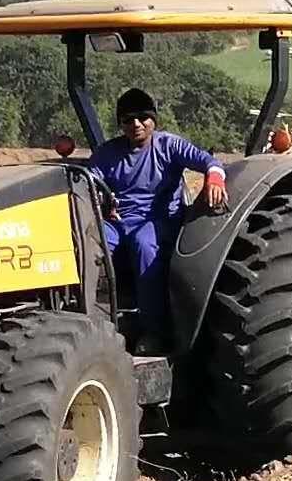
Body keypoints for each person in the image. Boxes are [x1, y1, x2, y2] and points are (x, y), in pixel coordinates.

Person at [87, 88, 227, 353]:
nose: (136, 124)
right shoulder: (108, 153)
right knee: (87, 246)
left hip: (158, 220)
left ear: (153, 120)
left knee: (144, 245)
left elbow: (209, 162)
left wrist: (215, 177)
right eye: (128, 119)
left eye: (143, 117)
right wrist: (102, 204)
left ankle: (155, 331)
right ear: (121, 124)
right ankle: (90, 324)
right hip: (119, 221)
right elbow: (87, 183)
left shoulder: (169, 146)